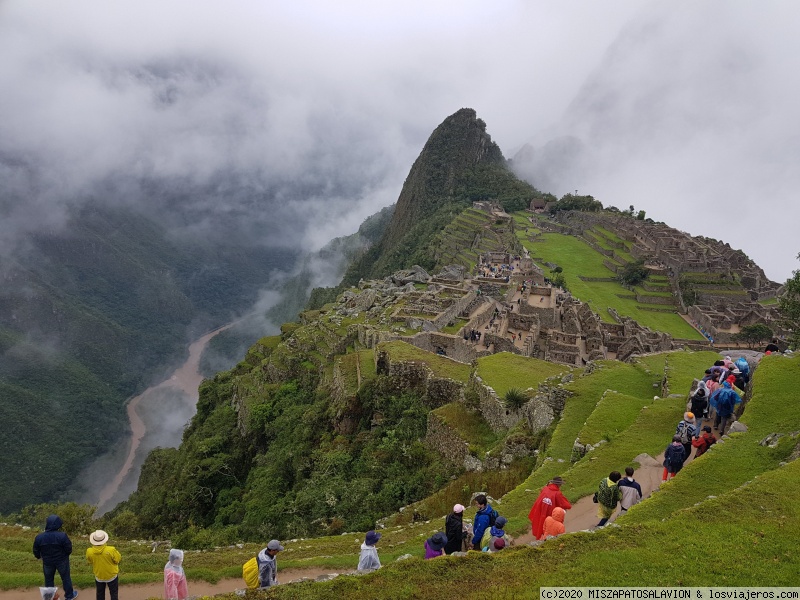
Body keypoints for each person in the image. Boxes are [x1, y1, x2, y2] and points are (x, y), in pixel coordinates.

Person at [33, 515, 77, 600]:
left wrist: (39, 557)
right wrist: (65, 555)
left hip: (47, 562)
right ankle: (69, 596)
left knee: (49, 580)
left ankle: (50, 597)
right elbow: (69, 548)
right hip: (62, 561)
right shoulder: (62, 536)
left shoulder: (39, 537)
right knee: (66, 578)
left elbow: (36, 550)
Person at [85, 530, 120, 600]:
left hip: (99, 576)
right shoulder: (111, 550)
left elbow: (90, 561)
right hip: (111, 575)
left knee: (100, 593)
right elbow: (117, 560)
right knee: (114, 593)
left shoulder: (89, 551)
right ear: (104, 540)